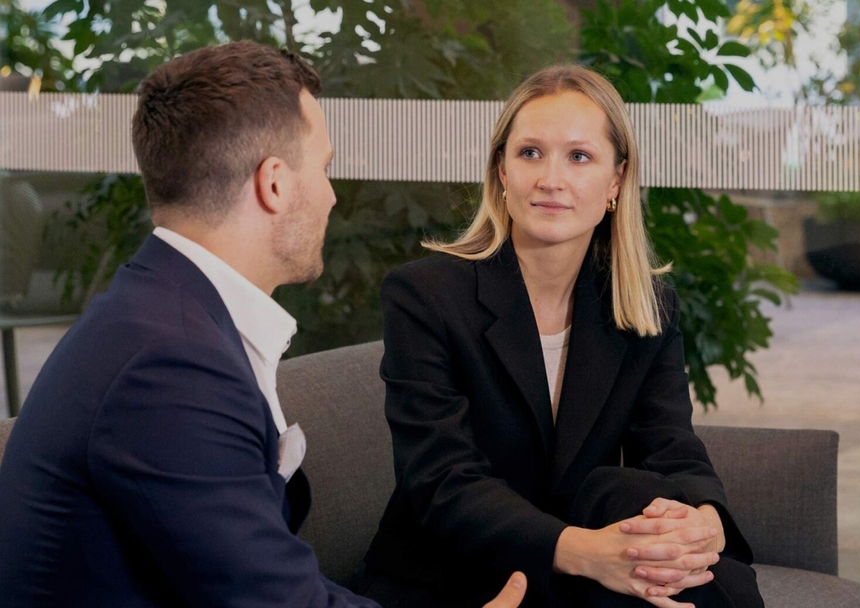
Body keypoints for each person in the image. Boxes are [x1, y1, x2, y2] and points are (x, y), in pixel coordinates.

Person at [0, 40, 525, 608]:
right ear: (274, 183)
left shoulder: (160, 310)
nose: (331, 196)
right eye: (323, 168)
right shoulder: (170, 364)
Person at [353, 65, 764, 608]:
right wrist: (590, 553)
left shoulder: (646, 305)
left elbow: (671, 446)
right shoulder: (425, 296)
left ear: (616, 181)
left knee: (657, 521)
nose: (551, 179)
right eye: (530, 153)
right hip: (457, 570)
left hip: (584, 574)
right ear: (502, 171)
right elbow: (441, 480)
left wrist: (704, 525)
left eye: (579, 156)